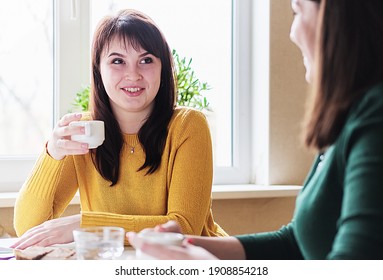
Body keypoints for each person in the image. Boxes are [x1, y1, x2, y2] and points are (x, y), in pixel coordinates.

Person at [128, 0, 383, 259]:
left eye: (298, 10)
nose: (293, 32)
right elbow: (296, 244)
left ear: (337, 16)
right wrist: (187, 245)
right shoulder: (351, 118)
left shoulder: (376, 115)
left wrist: (209, 268)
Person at [12, 9, 227, 250]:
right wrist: (52, 153)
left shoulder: (188, 126)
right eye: (117, 61)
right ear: (98, 69)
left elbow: (183, 228)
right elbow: (28, 228)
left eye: (146, 60)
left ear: (162, 68)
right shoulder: (84, 132)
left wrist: (87, 225)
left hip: (192, 266)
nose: (133, 75)